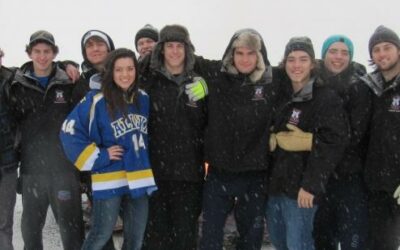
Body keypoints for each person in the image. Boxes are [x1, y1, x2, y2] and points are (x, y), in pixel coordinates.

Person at [60, 48, 157, 250]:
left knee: (135, 239)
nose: (125, 74)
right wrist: (99, 156)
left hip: (139, 178)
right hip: (109, 177)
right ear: (111, 72)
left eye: (130, 69)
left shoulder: (144, 98)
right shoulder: (96, 99)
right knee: (100, 235)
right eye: (119, 69)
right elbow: (68, 131)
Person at [266, 37, 348, 250]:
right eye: (291, 59)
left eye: (303, 59)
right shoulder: (279, 94)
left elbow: (333, 143)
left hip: (301, 192)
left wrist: (311, 185)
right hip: (275, 186)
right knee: (279, 242)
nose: (296, 65)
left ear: (312, 64)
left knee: (299, 245)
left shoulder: (325, 98)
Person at [197, 28, 274, 250]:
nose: (245, 59)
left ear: (259, 55)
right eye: (239, 53)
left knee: (252, 235)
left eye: (251, 53)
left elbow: (306, 72)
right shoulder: (215, 75)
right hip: (219, 172)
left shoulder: (273, 82)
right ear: (231, 54)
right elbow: (182, 54)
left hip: (255, 174)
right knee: (210, 234)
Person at [8, 30, 83, 250]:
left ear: (54, 53)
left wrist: (68, 64)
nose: (42, 57)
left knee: (71, 233)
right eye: (37, 51)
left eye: (47, 51)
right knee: (30, 233)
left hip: (64, 169)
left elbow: (83, 119)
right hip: (32, 170)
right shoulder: (16, 84)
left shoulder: (68, 83)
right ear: (29, 53)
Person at [140, 24, 207, 250]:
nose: (175, 51)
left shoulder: (200, 79)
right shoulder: (148, 78)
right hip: (154, 172)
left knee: (185, 237)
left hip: (189, 175)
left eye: (180, 46)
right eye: (170, 46)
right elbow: (118, 69)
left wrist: (209, 85)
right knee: (154, 236)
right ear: (162, 49)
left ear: (188, 49)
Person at [313, 35, 371, 250]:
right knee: (322, 238)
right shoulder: (313, 84)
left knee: (352, 239)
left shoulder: (360, 88)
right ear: (324, 54)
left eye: (344, 53)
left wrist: (314, 140)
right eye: (333, 51)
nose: (338, 57)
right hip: (319, 178)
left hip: (351, 177)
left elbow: (353, 135)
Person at [360, 25, 400, 250]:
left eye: (387, 47)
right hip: (374, 183)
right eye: (376, 49)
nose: (382, 54)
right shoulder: (369, 88)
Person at [0, 48, 19, 250]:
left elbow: (41, 67)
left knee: (3, 223)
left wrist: (68, 64)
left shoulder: (12, 78)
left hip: (7, 164)